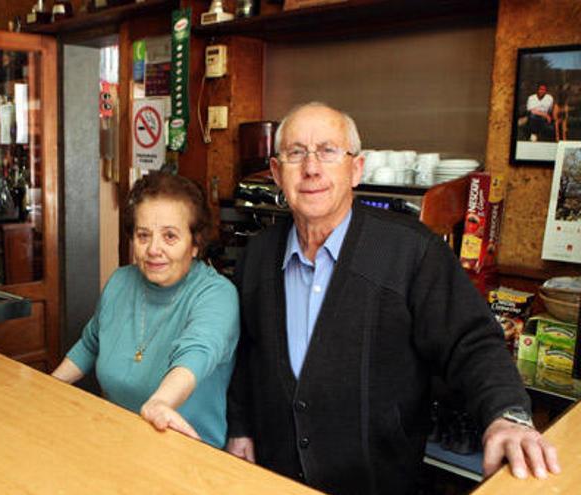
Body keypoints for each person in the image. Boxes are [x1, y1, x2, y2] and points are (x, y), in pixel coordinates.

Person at [225, 102, 560, 494]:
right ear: (277, 173)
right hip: (274, 478)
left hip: (378, 482)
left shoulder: (411, 251)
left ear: (356, 169)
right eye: (296, 153)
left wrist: (507, 415)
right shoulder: (258, 256)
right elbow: (247, 354)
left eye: (329, 151)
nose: (312, 168)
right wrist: (241, 426)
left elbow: (473, 342)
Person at [52, 171, 239, 448]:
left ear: (196, 243)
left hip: (189, 453)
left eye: (170, 236)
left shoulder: (216, 294)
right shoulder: (120, 282)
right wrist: (46, 387)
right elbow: (91, 343)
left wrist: (161, 403)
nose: (154, 249)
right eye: (143, 235)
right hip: (117, 440)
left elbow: (196, 353)